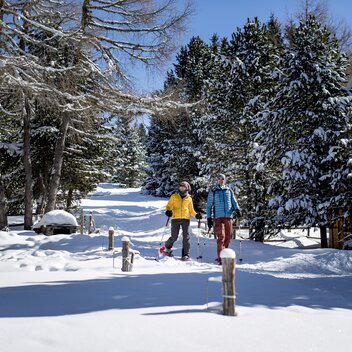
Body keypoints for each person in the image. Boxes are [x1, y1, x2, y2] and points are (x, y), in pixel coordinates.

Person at [206, 174, 241, 265]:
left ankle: (225, 254)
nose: (221, 180)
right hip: (218, 217)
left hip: (228, 217)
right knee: (221, 237)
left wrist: (237, 210)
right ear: (216, 180)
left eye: (222, 179)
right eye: (219, 179)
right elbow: (209, 206)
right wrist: (209, 218)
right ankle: (221, 258)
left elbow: (234, 202)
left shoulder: (229, 191)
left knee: (228, 236)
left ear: (224, 180)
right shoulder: (213, 191)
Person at [164, 181, 202, 261]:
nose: (181, 187)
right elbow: (168, 206)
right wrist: (168, 211)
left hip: (185, 219)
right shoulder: (174, 196)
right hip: (175, 218)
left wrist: (196, 215)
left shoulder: (189, 198)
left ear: (187, 188)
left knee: (186, 237)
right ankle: (167, 247)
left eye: (183, 186)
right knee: (174, 237)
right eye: (180, 186)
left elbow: (191, 210)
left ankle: (185, 254)